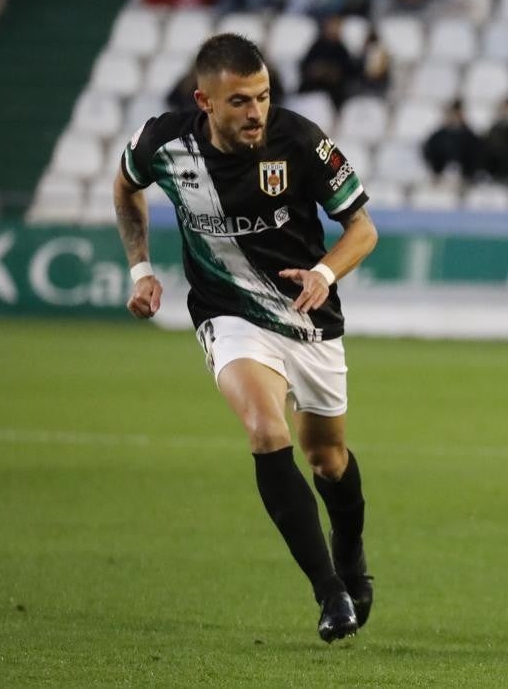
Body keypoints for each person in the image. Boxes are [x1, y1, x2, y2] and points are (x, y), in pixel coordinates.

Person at [113, 33, 378, 642]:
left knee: (328, 460)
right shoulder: (163, 142)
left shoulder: (302, 140)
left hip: (308, 315)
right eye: (239, 101)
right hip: (226, 312)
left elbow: (362, 229)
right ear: (204, 99)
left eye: (262, 96)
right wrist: (141, 269)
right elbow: (125, 187)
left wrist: (323, 271)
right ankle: (329, 593)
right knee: (265, 430)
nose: (256, 110)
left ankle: (353, 559)